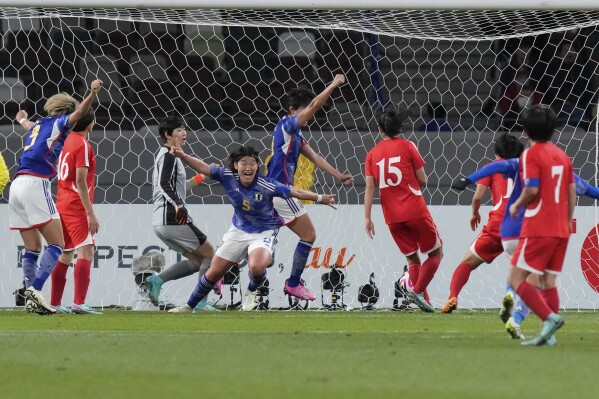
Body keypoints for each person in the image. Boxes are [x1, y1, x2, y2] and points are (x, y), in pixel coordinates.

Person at [167, 145, 336, 313]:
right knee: (213, 273)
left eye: (252, 163)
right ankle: (189, 306)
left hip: (263, 233)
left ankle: (252, 291)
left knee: (256, 266)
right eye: (243, 163)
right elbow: (202, 167)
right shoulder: (226, 176)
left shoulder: (266, 184)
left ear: (257, 166)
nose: (248, 167)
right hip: (238, 231)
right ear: (235, 166)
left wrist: (320, 198)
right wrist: (182, 155)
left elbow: (296, 191)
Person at [453, 156, 598, 340]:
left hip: (522, 229)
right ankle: (537, 327)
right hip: (556, 231)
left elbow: (498, 167)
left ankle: (518, 306)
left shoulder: (526, 162)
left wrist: (469, 179)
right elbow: (591, 191)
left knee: (518, 278)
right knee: (546, 281)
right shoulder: (563, 166)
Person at [9, 79, 103, 315]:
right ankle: (35, 291)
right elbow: (81, 111)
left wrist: (21, 119)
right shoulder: (62, 124)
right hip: (35, 183)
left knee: (32, 248)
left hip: (16, 185)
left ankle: (32, 295)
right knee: (58, 245)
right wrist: (92, 93)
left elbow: (29, 127)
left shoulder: (41, 125)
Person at [265, 74, 353, 301]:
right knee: (309, 235)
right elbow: (315, 105)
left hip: (278, 193)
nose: (308, 115)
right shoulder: (287, 125)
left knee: (257, 248)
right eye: (303, 111)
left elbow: (314, 156)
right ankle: (292, 283)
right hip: (280, 192)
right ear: (292, 109)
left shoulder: (295, 134)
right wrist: (332, 84)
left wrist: (338, 176)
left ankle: (220, 277)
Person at [363, 104, 442, 313]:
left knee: (412, 258)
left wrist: (367, 218)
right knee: (436, 254)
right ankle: (415, 291)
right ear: (398, 128)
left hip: (391, 216)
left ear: (380, 130)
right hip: (414, 209)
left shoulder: (372, 154)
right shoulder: (408, 146)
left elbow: (370, 187)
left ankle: (423, 300)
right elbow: (422, 180)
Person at [508, 105, 574, 346]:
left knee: (517, 279)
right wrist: (567, 220)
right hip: (560, 228)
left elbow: (532, 188)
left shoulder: (531, 154)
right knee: (547, 282)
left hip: (538, 227)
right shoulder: (562, 156)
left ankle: (549, 318)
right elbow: (571, 191)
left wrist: (516, 205)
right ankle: (549, 336)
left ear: (525, 131)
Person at [441, 133, 524, 314]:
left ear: (497, 153)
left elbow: (477, 196)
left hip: (498, 225)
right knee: (527, 267)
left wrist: (475, 213)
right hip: (521, 226)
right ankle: (528, 304)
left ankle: (452, 297)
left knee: (467, 263)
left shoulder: (492, 167)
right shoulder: (526, 169)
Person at [146, 115, 217, 311]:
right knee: (211, 254)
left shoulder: (168, 155)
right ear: (167, 135)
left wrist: (203, 175)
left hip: (161, 221)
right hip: (172, 217)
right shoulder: (169, 154)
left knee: (198, 260)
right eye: (178, 129)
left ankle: (157, 281)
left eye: (184, 128)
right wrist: (178, 205)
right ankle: (201, 303)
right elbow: (164, 184)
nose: (184, 132)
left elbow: (179, 187)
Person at [48, 108, 102, 314]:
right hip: (76, 206)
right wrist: (90, 213)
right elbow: (80, 180)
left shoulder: (65, 140)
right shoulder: (82, 144)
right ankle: (79, 302)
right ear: (90, 124)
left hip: (61, 203)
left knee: (65, 254)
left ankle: (54, 303)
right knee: (86, 251)